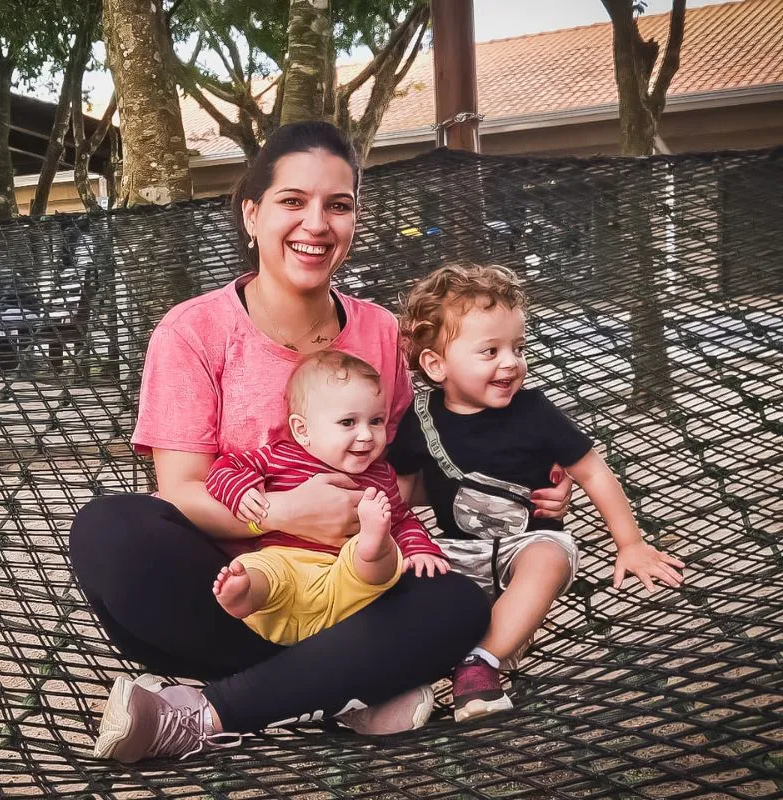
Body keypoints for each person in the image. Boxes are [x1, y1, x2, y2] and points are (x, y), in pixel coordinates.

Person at [68, 122, 573, 764]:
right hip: (231, 590)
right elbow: (182, 490)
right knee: (111, 529)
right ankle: (351, 685)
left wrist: (523, 473)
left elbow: (415, 458)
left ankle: (206, 713)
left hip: (354, 590)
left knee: (455, 602)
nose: (316, 223)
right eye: (292, 201)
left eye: (338, 205)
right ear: (252, 214)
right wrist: (281, 513)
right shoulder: (193, 331)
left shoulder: (382, 333)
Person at [390, 263, 686, 723]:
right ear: (436, 364)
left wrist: (630, 543)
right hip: (455, 548)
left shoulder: (533, 411)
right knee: (407, 575)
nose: (510, 362)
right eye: (490, 351)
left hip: (527, 542)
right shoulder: (420, 418)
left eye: (518, 348)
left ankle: (480, 665)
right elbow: (402, 494)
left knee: (549, 556)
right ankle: (409, 674)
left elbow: (592, 471)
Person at [206, 349, 448, 645]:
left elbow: (403, 519)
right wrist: (241, 490)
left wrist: (420, 549)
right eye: (348, 422)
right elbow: (226, 467)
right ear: (302, 430)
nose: (366, 435)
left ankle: (371, 547)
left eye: (376, 421)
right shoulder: (281, 456)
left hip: (346, 582)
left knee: (378, 558)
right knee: (262, 568)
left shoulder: (381, 475)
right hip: (289, 564)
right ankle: (246, 593)